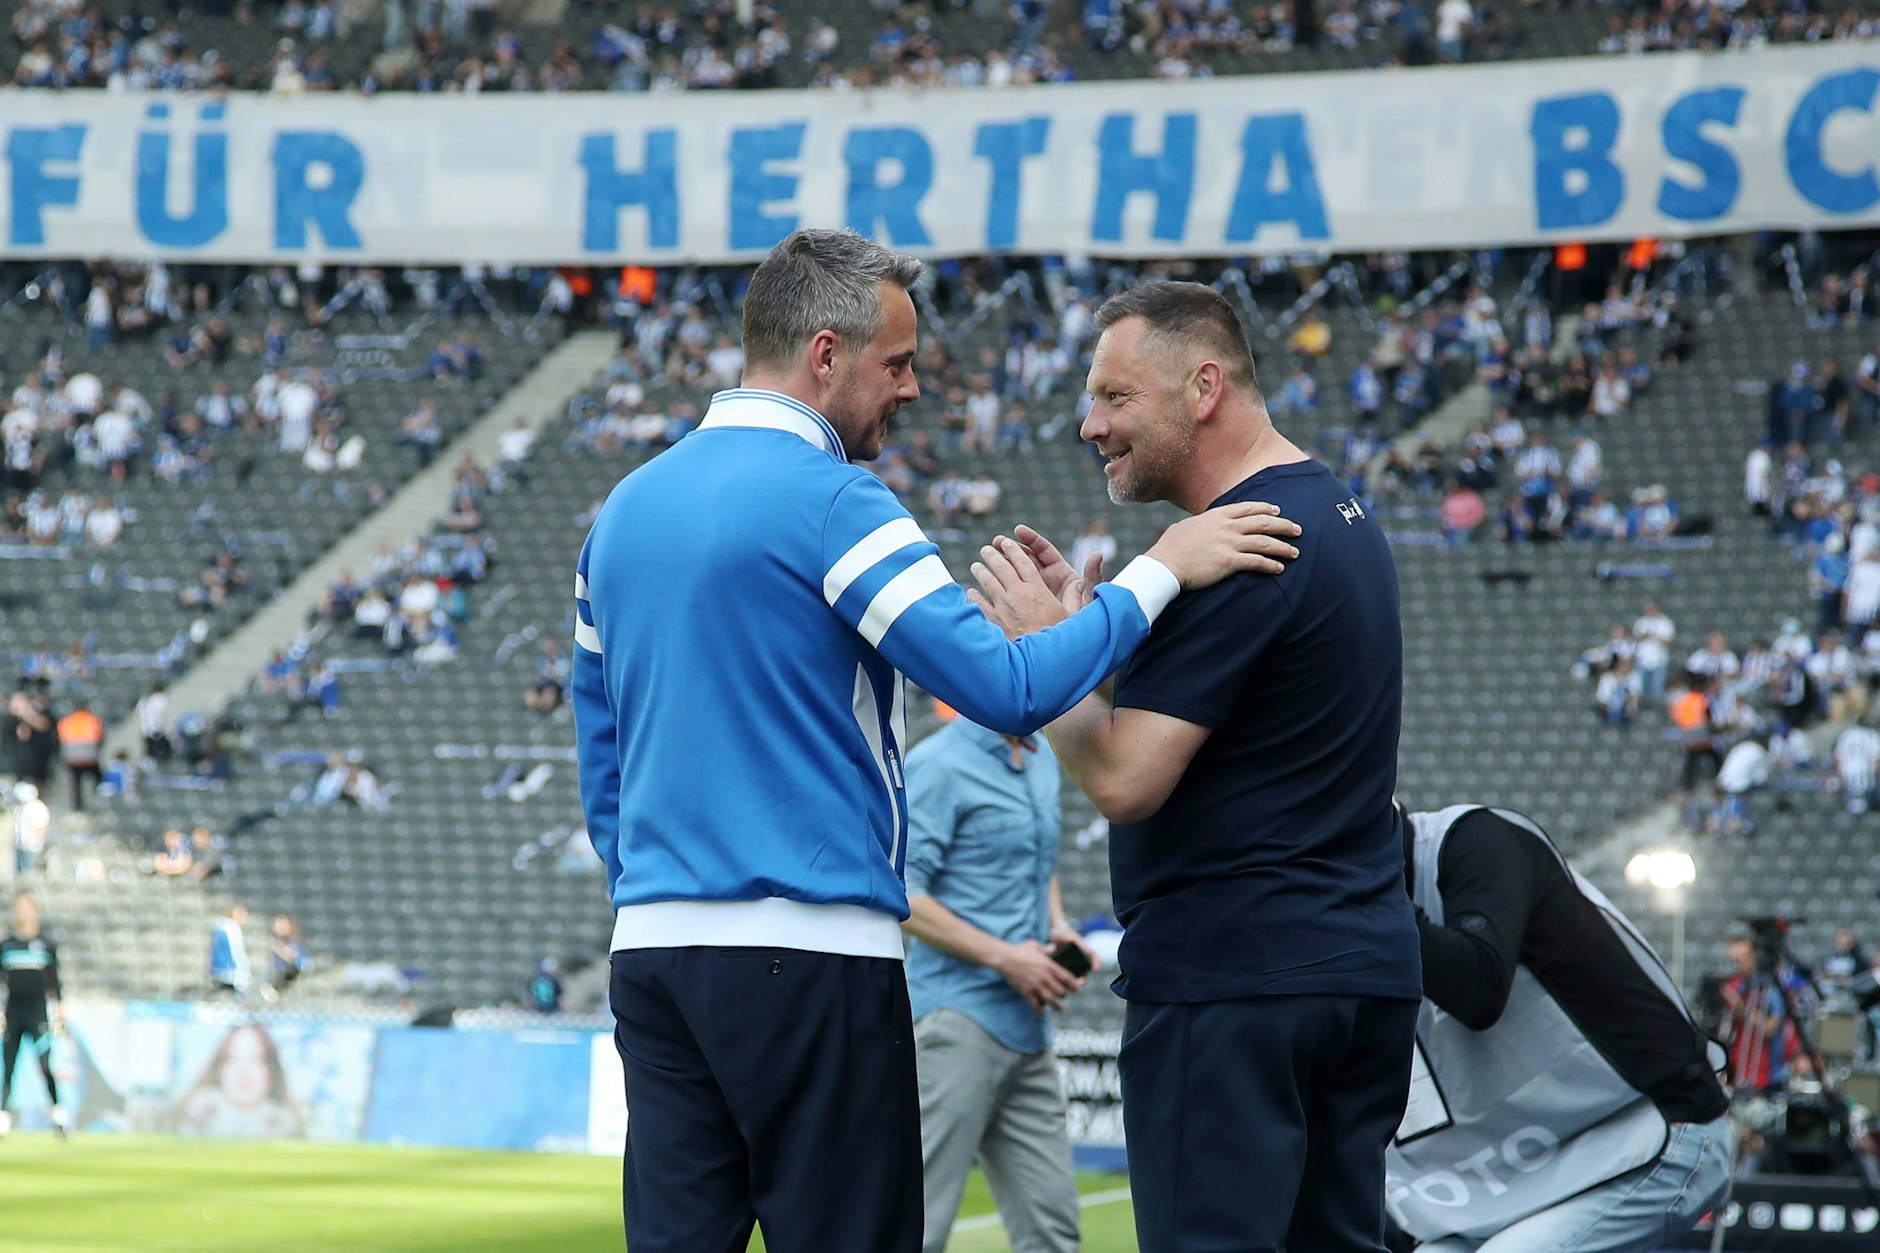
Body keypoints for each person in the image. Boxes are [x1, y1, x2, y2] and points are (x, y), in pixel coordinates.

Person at [572, 231, 1300, 1253]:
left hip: (653, 953)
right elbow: (1006, 687)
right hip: (814, 956)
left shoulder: (621, 511)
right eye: (898, 363)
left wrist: (660, 891)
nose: (911, 389)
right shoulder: (834, 500)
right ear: (826, 355)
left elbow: (601, 757)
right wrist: (1163, 567)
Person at [975, 282, 1419, 1253]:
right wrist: (1094, 637)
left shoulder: (1231, 548)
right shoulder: (1332, 507)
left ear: (1203, 386)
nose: (1089, 424)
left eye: (1114, 395)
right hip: (1357, 970)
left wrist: (1042, 656)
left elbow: (1124, 779)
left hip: (1237, 982)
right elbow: (1250, 726)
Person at [1390, 804, 1732, 1251]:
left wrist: (1368, 901)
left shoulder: (1472, 841)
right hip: (1507, 1186)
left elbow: (1478, 989)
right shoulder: (1336, 925)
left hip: (1650, 1131)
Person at [902, 706, 1094, 1253]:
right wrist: (1008, 959)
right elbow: (904, 895)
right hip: (954, 1026)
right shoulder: (937, 764)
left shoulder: (1041, 756)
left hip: (1030, 1028)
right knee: (918, 1225)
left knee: (1054, 1232)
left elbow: (1040, 862)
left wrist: (1058, 927)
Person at [0, 893, 67, 1138]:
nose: (22, 913)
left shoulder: (46, 944)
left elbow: (54, 983)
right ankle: (4, 1119)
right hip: (13, 1016)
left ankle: (59, 1117)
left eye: (26, 908)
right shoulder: (7, 946)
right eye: (19, 908)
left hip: (38, 1016)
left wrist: (60, 1010)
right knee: (9, 1068)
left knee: (45, 1066)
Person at [175, 1023, 305, 1139]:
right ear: (220, 1069)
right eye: (233, 1059)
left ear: (271, 1071)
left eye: (256, 1060)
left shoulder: (288, 1124)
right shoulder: (194, 1114)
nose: (244, 1071)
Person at [55, 701, 103, 812]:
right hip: (90, 757)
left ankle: (76, 806)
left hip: (72, 758)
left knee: (75, 783)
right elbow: (100, 738)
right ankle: (99, 799)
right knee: (98, 778)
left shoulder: (66, 721)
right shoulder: (93, 720)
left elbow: (60, 739)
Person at [209, 904, 252, 1000]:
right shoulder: (232, 929)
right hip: (230, 972)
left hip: (217, 970)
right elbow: (236, 953)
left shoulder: (220, 928)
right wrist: (243, 972)